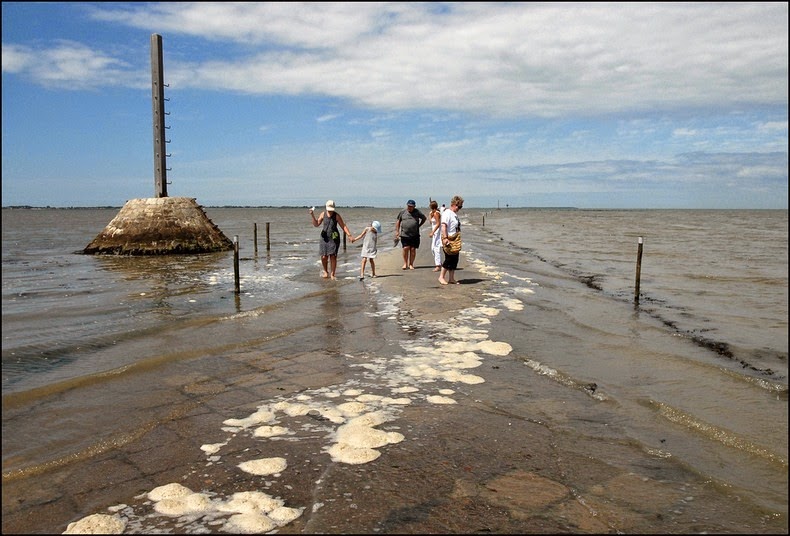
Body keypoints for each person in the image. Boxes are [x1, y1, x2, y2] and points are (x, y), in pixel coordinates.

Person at [309, 200, 353, 280]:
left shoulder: (336, 216)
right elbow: (316, 224)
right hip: (324, 238)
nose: (330, 211)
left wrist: (349, 235)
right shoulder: (323, 214)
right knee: (324, 256)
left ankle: (333, 274)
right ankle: (326, 271)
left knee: (333, 256)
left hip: (334, 238)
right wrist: (312, 215)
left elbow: (343, 226)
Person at [394, 199, 427, 270]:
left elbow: (424, 218)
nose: (410, 207)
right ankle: (405, 263)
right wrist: (397, 231)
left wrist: (419, 225)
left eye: (411, 206)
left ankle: (411, 264)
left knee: (412, 249)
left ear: (414, 206)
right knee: (405, 248)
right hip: (404, 234)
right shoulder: (402, 212)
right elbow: (398, 221)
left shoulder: (417, 212)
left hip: (415, 234)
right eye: (408, 206)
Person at [438, 195, 464, 285]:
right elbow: (443, 225)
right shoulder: (447, 213)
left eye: (461, 207)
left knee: (455, 259)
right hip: (449, 238)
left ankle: (451, 278)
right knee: (448, 259)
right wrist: (445, 238)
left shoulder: (454, 214)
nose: (459, 208)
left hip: (455, 239)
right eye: (459, 206)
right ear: (454, 204)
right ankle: (441, 277)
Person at [428, 200, 442, 272]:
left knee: (436, 248)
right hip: (435, 232)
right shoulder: (432, 213)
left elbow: (438, 223)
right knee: (433, 248)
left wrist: (432, 232)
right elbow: (430, 222)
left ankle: (438, 265)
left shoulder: (437, 213)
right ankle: (439, 263)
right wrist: (430, 215)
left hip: (437, 232)